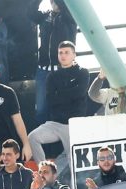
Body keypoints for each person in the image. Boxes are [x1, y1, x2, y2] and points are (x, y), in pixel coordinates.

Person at [27, 42, 90, 175]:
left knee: (73, 162)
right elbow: (51, 100)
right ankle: (44, 173)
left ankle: (77, 185)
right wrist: (70, 94)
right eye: (60, 53)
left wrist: (60, 94)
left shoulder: (82, 72)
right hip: (55, 123)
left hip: (73, 124)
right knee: (32, 137)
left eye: (66, 52)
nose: (63, 55)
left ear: (74, 55)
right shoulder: (52, 76)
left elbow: (80, 93)